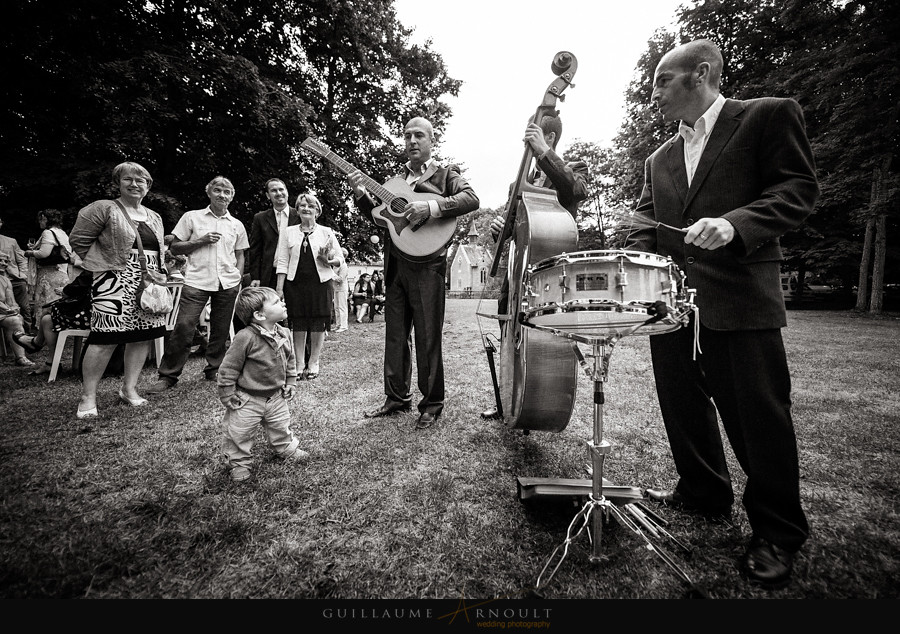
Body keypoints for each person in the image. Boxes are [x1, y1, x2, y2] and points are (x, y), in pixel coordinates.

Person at [624, 39, 818, 589]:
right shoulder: (657, 158)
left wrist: (735, 224)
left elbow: (798, 188)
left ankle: (778, 531)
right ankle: (703, 491)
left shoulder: (767, 116)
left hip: (741, 298)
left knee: (759, 420)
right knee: (682, 407)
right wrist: (630, 236)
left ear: (701, 74)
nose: (654, 91)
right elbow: (646, 216)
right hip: (673, 306)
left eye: (663, 80)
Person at [348, 116, 480, 430]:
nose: (411, 141)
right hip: (395, 265)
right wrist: (360, 195)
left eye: (418, 135)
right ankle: (396, 398)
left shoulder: (447, 175)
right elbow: (383, 220)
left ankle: (431, 404)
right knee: (395, 337)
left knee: (427, 336)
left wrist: (430, 208)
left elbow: (471, 199)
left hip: (427, 266)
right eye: (406, 136)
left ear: (432, 141)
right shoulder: (393, 183)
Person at [482, 115, 590, 419]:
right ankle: (507, 399)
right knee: (508, 337)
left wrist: (544, 153)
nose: (524, 146)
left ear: (550, 138)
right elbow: (517, 227)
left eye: (531, 138)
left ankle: (538, 399)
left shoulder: (573, 168)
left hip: (550, 274)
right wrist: (500, 230)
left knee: (543, 343)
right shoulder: (518, 183)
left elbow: (575, 192)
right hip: (517, 275)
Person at [67, 162, 168, 418]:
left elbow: (157, 250)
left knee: (143, 335)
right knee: (106, 337)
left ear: (148, 186)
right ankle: (88, 396)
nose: (134, 184)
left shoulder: (154, 216)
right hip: (113, 280)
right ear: (118, 182)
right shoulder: (104, 208)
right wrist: (100, 265)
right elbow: (78, 240)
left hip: (147, 281)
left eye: (140, 180)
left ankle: (129, 389)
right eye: (128, 179)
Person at [146, 176, 249, 393]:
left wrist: (237, 277)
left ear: (231, 197)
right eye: (218, 190)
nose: (222, 195)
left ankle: (215, 369)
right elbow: (175, 248)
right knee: (184, 326)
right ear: (209, 193)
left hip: (227, 282)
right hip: (196, 281)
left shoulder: (236, 224)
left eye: (227, 192)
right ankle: (168, 376)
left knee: (220, 330)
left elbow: (240, 254)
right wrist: (200, 240)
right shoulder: (192, 217)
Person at [217, 286, 309, 483]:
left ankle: (285, 447)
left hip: (276, 396)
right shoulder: (245, 337)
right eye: (276, 302)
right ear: (259, 315)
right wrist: (227, 393)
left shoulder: (283, 332)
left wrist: (290, 381)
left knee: (280, 425)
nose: (283, 303)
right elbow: (229, 368)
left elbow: (289, 360)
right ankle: (239, 463)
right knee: (239, 433)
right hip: (247, 398)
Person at [274, 192, 343, 380]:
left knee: (319, 322)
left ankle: (314, 362)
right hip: (295, 283)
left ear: (317, 211)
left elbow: (340, 259)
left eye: (311, 206)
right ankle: (299, 363)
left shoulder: (326, 232)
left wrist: (328, 261)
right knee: (299, 322)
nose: (306, 209)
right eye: (302, 205)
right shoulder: (287, 232)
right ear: (297, 209)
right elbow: (282, 261)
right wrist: (279, 289)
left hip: (321, 283)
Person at [13, 269, 93, 376]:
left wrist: (66, 291)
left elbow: (83, 282)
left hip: (93, 317)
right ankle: (49, 361)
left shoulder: (98, 261)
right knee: (47, 319)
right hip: (96, 313)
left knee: (49, 311)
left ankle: (36, 343)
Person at [24, 209, 74, 331]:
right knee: (57, 303)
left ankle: (44, 332)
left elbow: (44, 253)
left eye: (41, 219)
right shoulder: (62, 233)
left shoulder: (48, 232)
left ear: (47, 219)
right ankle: (58, 327)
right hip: (61, 273)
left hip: (49, 274)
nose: (39, 222)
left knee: (45, 304)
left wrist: (29, 252)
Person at [248, 178, 299, 290]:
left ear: (287, 192)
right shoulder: (260, 218)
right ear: (268, 195)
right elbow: (255, 250)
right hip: (269, 274)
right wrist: (255, 277)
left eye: (281, 189)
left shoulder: (299, 216)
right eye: (274, 190)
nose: (279, 193)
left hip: (296, 273)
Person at [0, 251, 35, 366]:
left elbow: (11, 301)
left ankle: (20, 358)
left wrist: (15, 310)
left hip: (2, 312)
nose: (4, 264)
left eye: (6, 261)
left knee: (16, 319)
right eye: (0, 260)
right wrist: (8, 310)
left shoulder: (5, 280)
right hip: (2, 311)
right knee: (14, 318)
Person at [0, 215, 32, 333]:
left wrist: (23, 275)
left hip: (15, 279)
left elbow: (21, 259)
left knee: (24, 307)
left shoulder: (11, 241)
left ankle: (27, 333)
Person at [331, 247, 350, 333]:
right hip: (336, 288)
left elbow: (341, 279)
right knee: (336, 307)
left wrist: (331, 275)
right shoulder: (335, 266)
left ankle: (344, 325)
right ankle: (338, 325)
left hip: (342, 288)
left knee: (342, 307)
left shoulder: (344, 266)